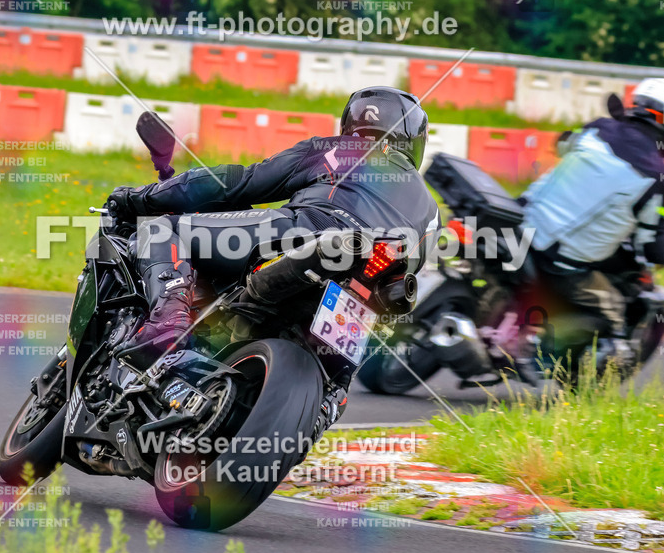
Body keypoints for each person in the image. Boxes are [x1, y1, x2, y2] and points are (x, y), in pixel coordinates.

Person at [107, 87, 440, 361]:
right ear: (414, 139)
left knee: (161, 230)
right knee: (340, 372)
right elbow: (411, 275)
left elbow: (238, 182)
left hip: (305, 231)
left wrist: (137, 199)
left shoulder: (339, 149)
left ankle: (168, 323)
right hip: (369, 284)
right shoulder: (431, 209)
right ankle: (328, 399)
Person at [520, 77, 664, 367]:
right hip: (557, 259)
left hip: (522, 221)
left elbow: (565, 147)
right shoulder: (657, 180)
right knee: (612, 310)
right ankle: (535, 360)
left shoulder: (597, 128)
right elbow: (650, 248)